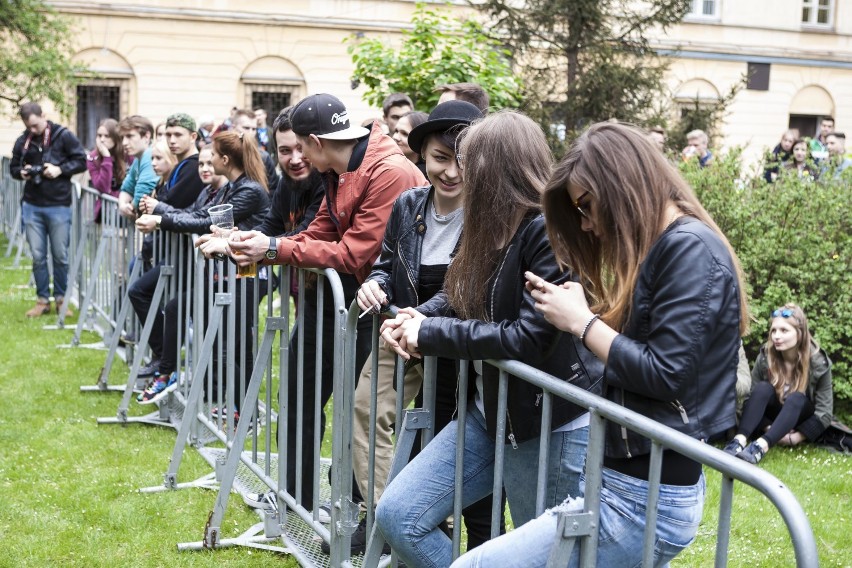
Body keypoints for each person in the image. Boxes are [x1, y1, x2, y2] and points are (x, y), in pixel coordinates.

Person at [448, 121, 748, 568]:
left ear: (619, 184)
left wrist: (584, 323)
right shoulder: (669, 246)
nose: (587, 224)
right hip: (630, 487)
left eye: (586, 206)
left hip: (646, 501)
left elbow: (665, 374)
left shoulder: (689, 249)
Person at [374, 111, 605, 568]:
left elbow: (529, 338)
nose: (459, 173)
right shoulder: (486, 223)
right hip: (488, 413)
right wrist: (419, 315)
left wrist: (431, 332)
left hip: (549, 423)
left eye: (470, 162)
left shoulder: (545, 230)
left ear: (497, 169)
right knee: (399, 515)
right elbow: (458, 292)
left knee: (550, 555)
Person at [202, 93, 426, 515]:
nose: (295, 156)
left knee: (367, 413)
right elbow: (320, 231)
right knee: (310, 394)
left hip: (397, 311)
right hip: (348, 302)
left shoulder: (388, 170)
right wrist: (267, 246)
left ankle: (369, 513)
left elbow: (353, 253)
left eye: (299, 145)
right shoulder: (338, 168)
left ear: (318, 143)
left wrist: (271, 247)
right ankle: (298, 497)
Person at [348, 101, 490, 555]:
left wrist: (421, 318)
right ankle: (385, 516)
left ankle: (433, 522)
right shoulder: (409, 203)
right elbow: (388, 262)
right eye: (440, 158)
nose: (450, 171)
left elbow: (463, 285)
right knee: (368, 409)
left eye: (461, 160)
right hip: (403, 330)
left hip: (454, 335)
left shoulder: (489, 213)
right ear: (423, 157)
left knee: (446, 429)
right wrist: (374, 283)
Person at [134, 131, 269, 406]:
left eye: (213, 156)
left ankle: (244, 410)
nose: (207, 163)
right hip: (226, 275)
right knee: (186, 315)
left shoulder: (249, 190)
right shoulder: (231, 187)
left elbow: (201, 221)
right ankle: (211, 397)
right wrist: (162, 215)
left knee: (238, 344)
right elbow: (200, 216)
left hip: (247, 275)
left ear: (225, 159)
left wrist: (160, 219)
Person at [724, 304, 833, 464]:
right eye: (774, 330)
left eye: (784, 330)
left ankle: (760, 447)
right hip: (772, 418)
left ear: (800, 333)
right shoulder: (765, 356)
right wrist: (768, 428)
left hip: (798, 418)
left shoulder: (818, 362)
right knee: (762, 388)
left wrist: (795, 438)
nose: (776, 336)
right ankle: (738, 442)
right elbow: (750, 398)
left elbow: (825, 412)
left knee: (796, 398)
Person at [9, 102, 87, 318]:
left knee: (60, 255)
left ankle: (61, 299)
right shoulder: (23, 140)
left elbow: (81, 161)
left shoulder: (63, 136)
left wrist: (59, 169)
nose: (32, 130)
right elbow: (13, 168)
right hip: (32, 205)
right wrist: (22, 173)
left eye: (35, 125)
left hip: (59, 205)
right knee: (37, 255)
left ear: (43, 115)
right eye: (28, 127)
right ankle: (42, 300)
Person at [86, 118, 129, 223]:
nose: (102, 140)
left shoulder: (127, 153)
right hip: (106, 214)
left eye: (107, 136)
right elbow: (103, 187)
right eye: (99, 135)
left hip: (127, 210)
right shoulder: (92, 157)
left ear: (116, 137)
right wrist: (106, 157)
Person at [117, 115, 157, 220]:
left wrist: (130, 208)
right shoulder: (138, 158)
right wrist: (122, 204)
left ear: (147, 136)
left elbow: (143, 190)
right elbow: (127, 187)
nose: (124, 143)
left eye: (130, 136)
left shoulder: (150, 155)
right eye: (122, 138)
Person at [231, 108, 280, 190]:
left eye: (254, 129)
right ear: (234, 127)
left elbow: (272, 188)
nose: (250, 133)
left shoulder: (263, 157)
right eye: (246, 128)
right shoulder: (223, 152)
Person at [392, 110, 429, 177]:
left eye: (404, 134)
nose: (395, 137)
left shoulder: (424, 177)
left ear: (420, 139)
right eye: (396, 131)